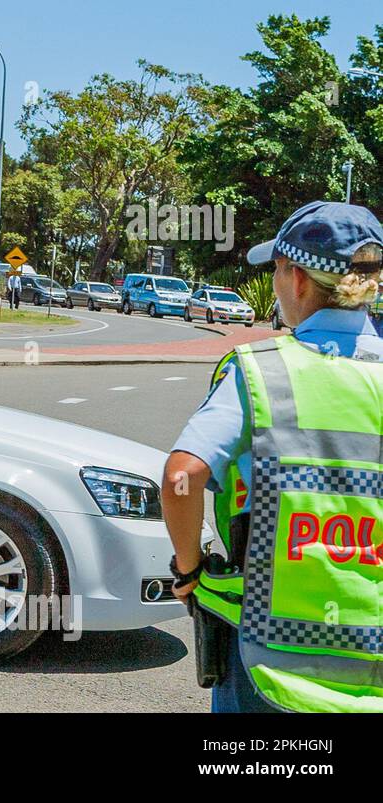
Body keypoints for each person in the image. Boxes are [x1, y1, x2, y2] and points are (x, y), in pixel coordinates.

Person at [163, 201, 383, 713]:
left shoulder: (262, 372)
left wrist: (188, 570)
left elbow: (182, 476)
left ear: (299, 280)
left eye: (277, 271)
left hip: (266, 655)